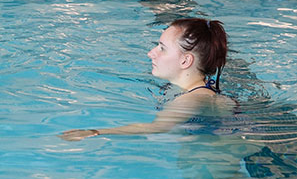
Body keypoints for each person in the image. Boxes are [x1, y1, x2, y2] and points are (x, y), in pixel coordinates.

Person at [61, 18, 233, 141]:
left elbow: (156, 128)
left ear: (185, 61)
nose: (151, 53)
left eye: (162, 48)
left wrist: (95, 132)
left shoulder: (192, 99)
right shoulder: (194, 89)